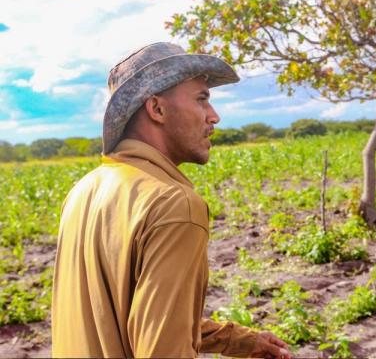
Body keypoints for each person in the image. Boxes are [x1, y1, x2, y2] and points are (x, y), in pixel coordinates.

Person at [51, 42, 292, 358]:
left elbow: (133, 315)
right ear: (157, 109)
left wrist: (238, 341)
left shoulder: (84, 190)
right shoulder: (173, 203)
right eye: (202, 99)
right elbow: (161, 348)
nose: (214, 116)